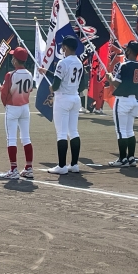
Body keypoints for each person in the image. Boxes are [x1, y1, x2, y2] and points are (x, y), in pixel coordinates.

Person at [42, 35, 84, 175]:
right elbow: (78, 82)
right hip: (75, 97)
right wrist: (47, 72)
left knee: (61, 133)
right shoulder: (79, 62)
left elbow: (56, 84)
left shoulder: (62, 62)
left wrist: (52, 88)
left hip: (63, 98)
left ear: (65, 47)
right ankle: (74, 164)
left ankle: (61, 166)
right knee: (74, 131)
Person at [0, 47, 35, 180]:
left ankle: (13, 169)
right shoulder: (29, 74)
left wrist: (3, 92)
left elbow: (5, 93)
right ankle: (29, 167)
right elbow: (30, 90)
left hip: (13, 108)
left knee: (11, 138)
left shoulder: (10, 75)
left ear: (15, 60)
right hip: (25, 107)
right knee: (26, 138)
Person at [106, 41, 138, 168]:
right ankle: (131, 157)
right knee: (129, 130)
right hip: (134, 100)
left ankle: (123, 158)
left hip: (123, 100)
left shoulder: (124, 65)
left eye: (127, 49)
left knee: (121, 131)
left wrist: (110, 78)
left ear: (130, 51)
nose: (126, 51)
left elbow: (117, 83)